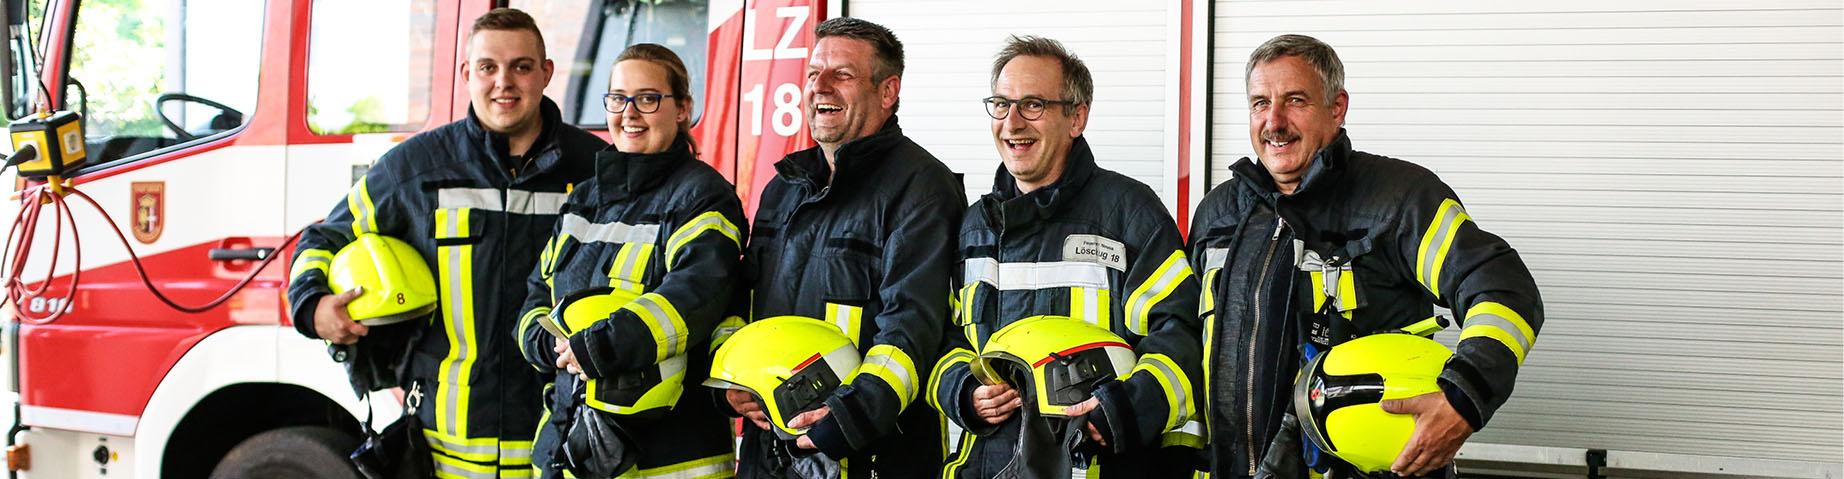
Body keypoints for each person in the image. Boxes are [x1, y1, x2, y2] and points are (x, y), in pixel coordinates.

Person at [1186, 34, 1544, 479]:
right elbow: (1184, 338)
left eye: (1294, 100)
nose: (1273, 121)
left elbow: (1504, 288)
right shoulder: (1218, 213)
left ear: (1337, 107)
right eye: (1260, 103)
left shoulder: (1400, 200)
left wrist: (1465, 397)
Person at [285, 8, 607, 478]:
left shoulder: (596, 169)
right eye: (487, 67)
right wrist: (312, 306)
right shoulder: (416, 167)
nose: (504, 82)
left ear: (546, 73)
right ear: (466, 74)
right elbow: (326, 236)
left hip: (566, 435)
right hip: (447, 447)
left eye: (521, 66)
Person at [925, 35, 1205, 479]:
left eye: (1032, 105)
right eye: (1001, 104)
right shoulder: (974, 226)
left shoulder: (1130, 214)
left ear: (1077, 117)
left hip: (1097, 467)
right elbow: (941, 337)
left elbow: (1180, 332)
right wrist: (964, 391)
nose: (1012, 122)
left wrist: (1119, 411)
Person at [724, 16, 963, 479]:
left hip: (871, 454)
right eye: (814, 74)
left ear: (887, 92)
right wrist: (735, 381)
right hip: (770, 451)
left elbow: (912, 327)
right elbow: (743, 302)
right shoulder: (784, 187)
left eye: (843, 75)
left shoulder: (923, 190)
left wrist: (848, 418)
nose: (820, 87)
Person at [515, 43, 743, 479]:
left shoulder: (704, 197)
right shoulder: (585, 199)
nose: (630, 112)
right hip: (572, 446)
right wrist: (547, 345)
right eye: (618, 98)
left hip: (670, 457)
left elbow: (696, 294)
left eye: (648, 98)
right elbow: (535, 296)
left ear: (682, 110)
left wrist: (598, 347)